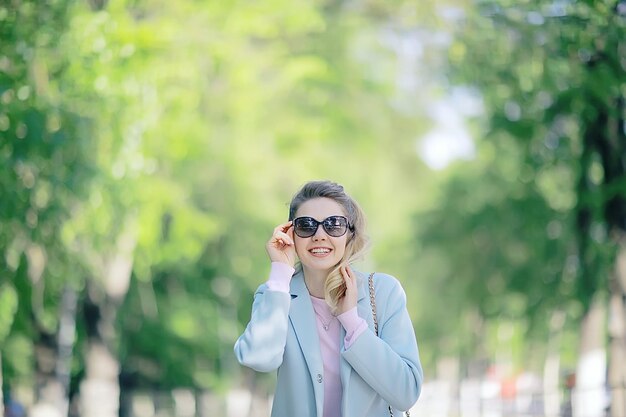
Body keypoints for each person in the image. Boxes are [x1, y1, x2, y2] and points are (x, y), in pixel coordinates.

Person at [234, 180, 423, 417]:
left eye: (334, 225)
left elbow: (406, 393)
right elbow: (258, 358)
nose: (319, 235)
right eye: (306, 225)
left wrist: (352, 322)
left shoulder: (384, 293)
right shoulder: (275, 293)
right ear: (291, 234)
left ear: (349, 235)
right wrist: (281, 271)